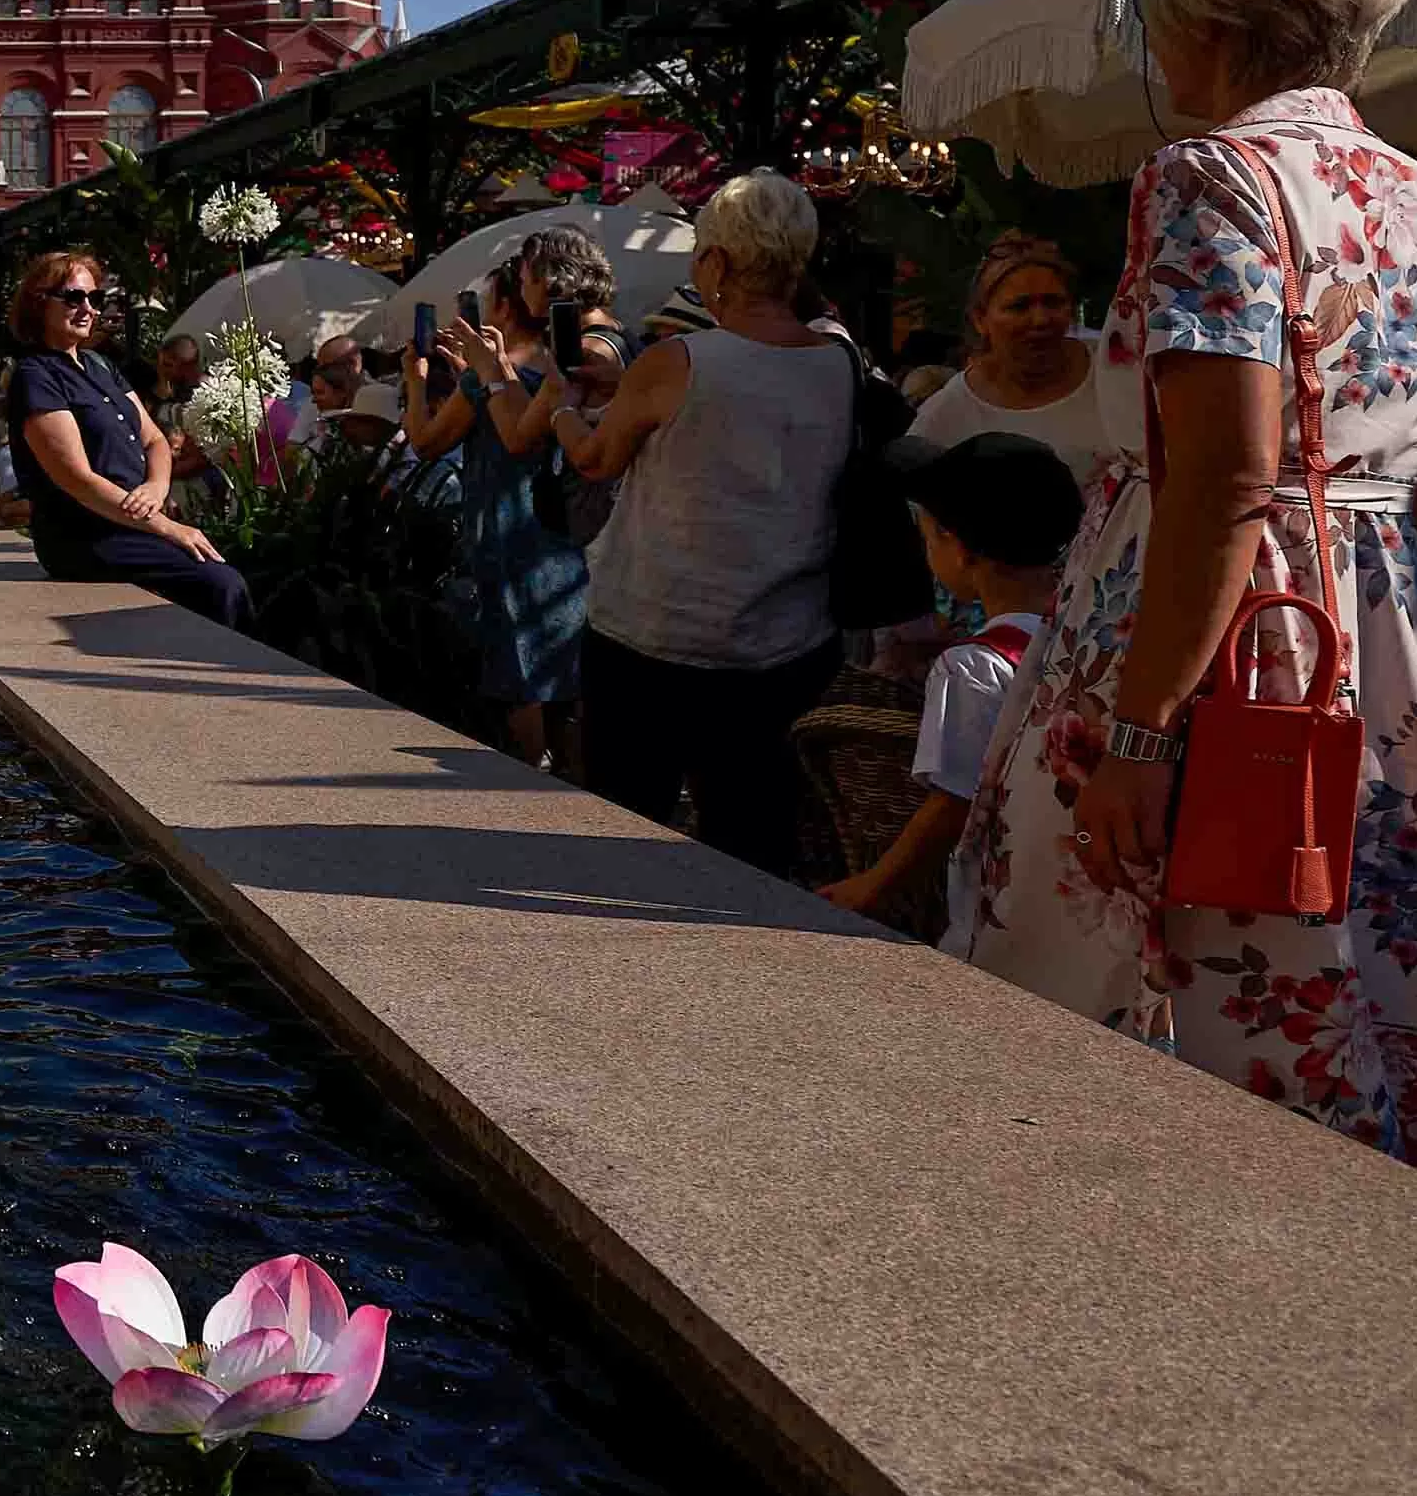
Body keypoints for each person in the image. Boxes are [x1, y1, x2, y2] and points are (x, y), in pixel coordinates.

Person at [946, 0, 1417, 1205]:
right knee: (1349, 977)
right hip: (1369, 655)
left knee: (1127, 979)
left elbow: (1224, 476)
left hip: (1200, 645)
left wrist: (1144, 732)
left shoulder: (1211, 174)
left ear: (1208, 8)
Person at [549, 171, 860, 876]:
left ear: (716, 264)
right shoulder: (840, 361)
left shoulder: (678, 358)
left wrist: (563, 405)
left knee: (625, 836)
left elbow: (595, 458)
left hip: (654, 641)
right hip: (782, 645)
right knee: (753, 848)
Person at [820, 433, 1081, 939]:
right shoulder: (1097, 633)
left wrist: (871, 884)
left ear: (960, 551)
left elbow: (954, 802)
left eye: (929, 539)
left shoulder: (973, 667)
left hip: (1010, 896)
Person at [416, 235, 601, 767]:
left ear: (501, 307)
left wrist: (419, 379)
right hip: (562, 534)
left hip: (507, 529)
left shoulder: (498, 374)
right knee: (564, 673)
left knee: (519, 670)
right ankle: (576, 789)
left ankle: (527, 785)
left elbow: (430, 441)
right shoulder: (559, 361)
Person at [5, 249, 250, 630]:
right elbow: (78, 481)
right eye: (73, 297)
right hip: (88, 535)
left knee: (235, 567)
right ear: (40, 304)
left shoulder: (100, 366)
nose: (87, 308)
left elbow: (154, 439)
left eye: (95, 298)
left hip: (137, 521)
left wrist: (156, 486)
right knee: (221, 584)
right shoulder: (36, 376)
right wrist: (168, 527)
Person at [907, 234, 1106, 482]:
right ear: (980, 319)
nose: (1041, 319)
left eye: (1054, 302)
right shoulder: (948, 415)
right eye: (1019, 307)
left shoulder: (1116, 368)